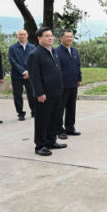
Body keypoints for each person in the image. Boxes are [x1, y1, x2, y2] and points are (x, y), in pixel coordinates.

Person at [28, 27, 66, 157]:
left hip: (57, 92)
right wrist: (39, 93)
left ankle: (51, 141)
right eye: (46, 36)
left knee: (54, 119)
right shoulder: (35, 54)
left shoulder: (54, 51)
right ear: (39, 38)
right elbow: (34, 76)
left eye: (51, 35)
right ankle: (40, 145)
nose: (50, 38)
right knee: (42, 120)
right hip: (44, 94)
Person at [56, 29, 82, 137]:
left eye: (71, 37)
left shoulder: (75, 51)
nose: (69, 39)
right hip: (62, 85)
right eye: (67, 37)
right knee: (60, 108)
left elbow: (78, 66)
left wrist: (79, 78)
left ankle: (70, 127)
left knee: (71, 107)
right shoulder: (56, 51)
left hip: (73, 84)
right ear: (61, 38)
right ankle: (58, 130)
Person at [8, 29, 36, 120]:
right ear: (17, 36)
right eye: (20, 34)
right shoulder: (12, 48)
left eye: (24, 34)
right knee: (17, 95)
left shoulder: (32, 47)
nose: (22, 36)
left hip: (30, 75)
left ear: (27, 35)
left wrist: (29, 72)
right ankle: (20, 113)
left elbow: (34, 61)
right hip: (17, 75)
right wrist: (23, 71)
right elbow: (13, 61)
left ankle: (34, 111)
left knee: (32, 93)